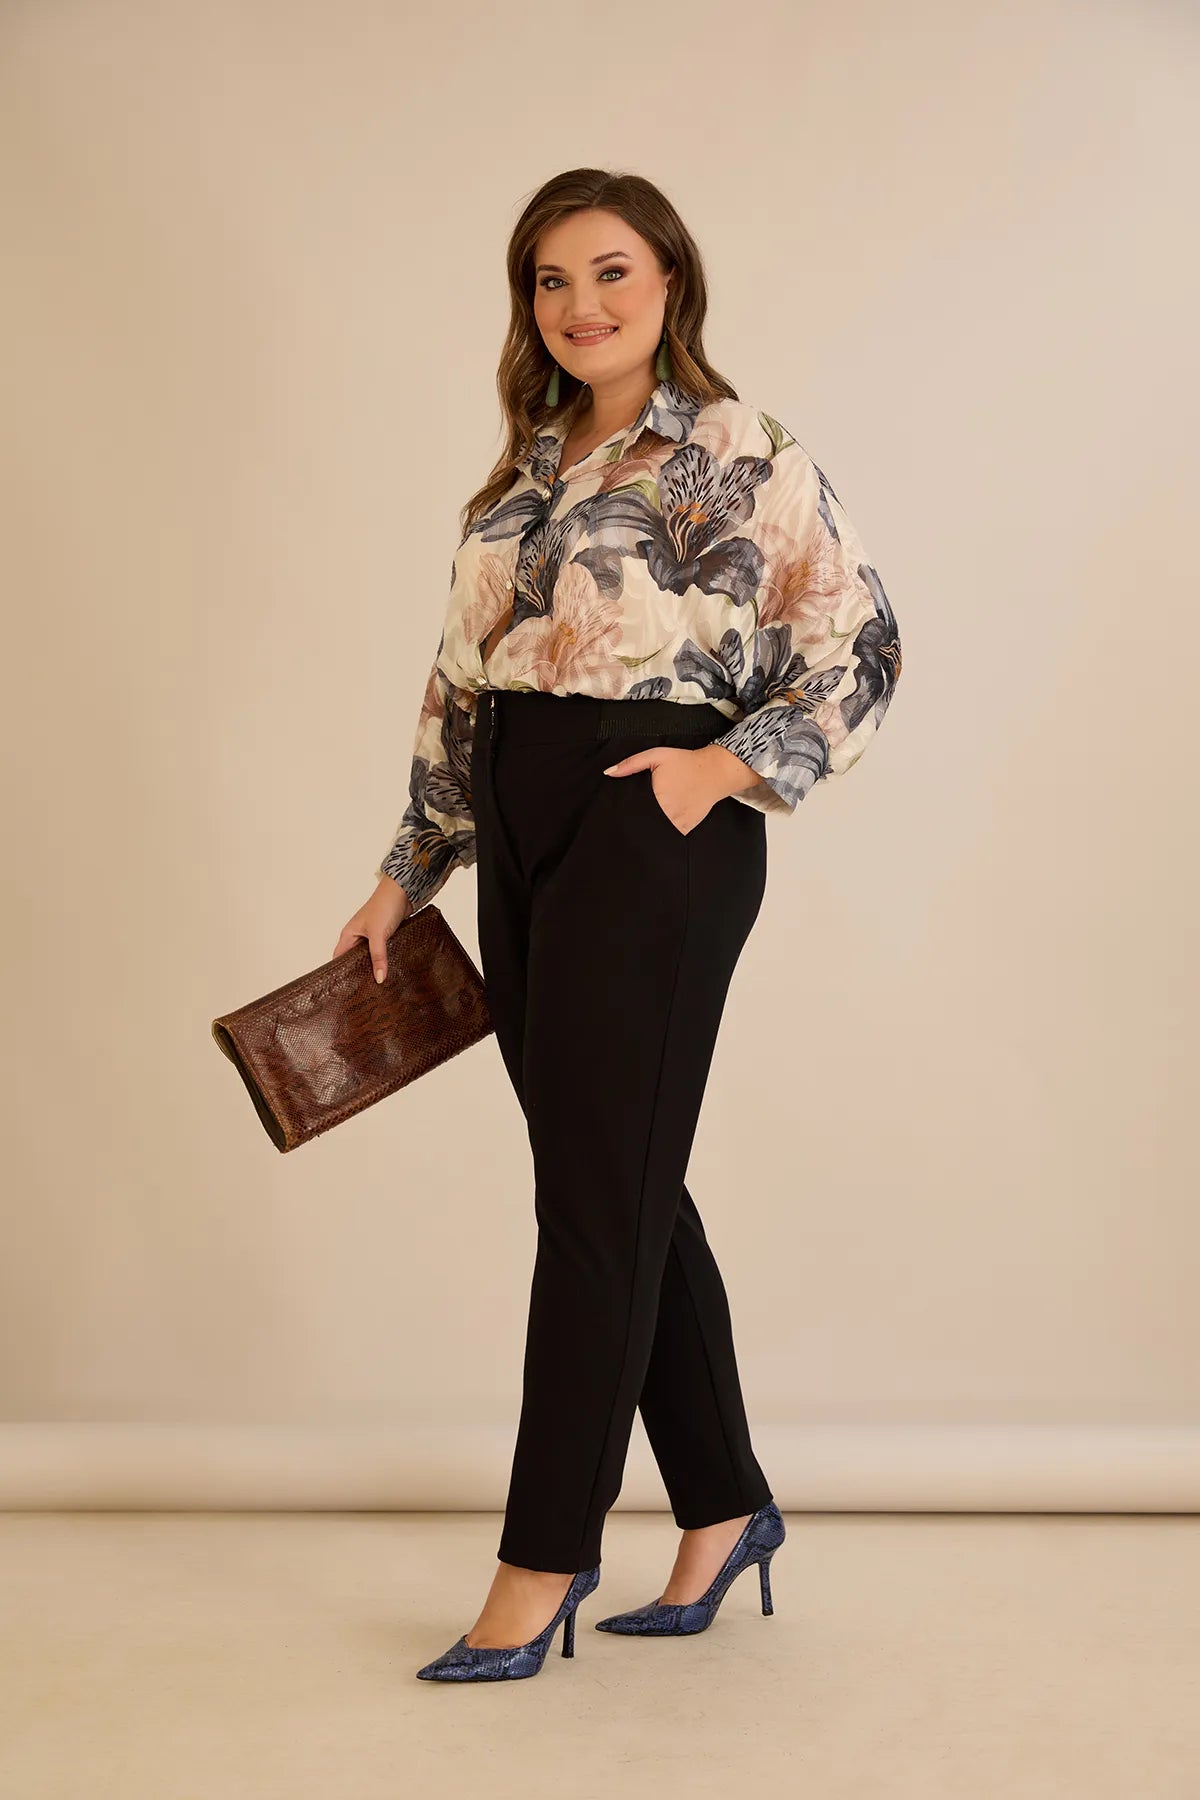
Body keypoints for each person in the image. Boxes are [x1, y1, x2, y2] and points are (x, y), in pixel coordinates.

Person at [333, 169, 901, 1683]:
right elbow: (461, 684)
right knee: (616, 1178)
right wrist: (409, 870)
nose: (579, 305)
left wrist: (718, 771)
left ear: (670, 283)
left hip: (654, 827)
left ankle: (544, 1556)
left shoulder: (741, 449)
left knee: (593, 1199)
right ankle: (724, 1506)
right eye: (549, 280)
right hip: (517, 828)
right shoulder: (519, 471)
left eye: (610, 272)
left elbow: (862, 643)